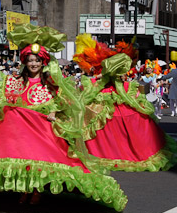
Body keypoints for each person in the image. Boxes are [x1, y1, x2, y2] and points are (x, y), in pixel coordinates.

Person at [0, 24, 127, 211]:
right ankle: (25, 189)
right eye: (30, 60)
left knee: (39, 158)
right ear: (25, 61)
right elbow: (5, 101)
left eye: (37, 61)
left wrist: (54, 112)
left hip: (41, 129)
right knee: (20, 150)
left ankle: (36, 190)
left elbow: (65, 102)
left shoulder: (51, 83)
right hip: (19, 131)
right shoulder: (15, 82)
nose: (33, 64)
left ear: (43, 63)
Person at [71, 35, 176, 172]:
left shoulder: (124, 84)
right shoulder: (101, 81)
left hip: (117, 93)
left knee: (132, 118)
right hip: (107, 92)